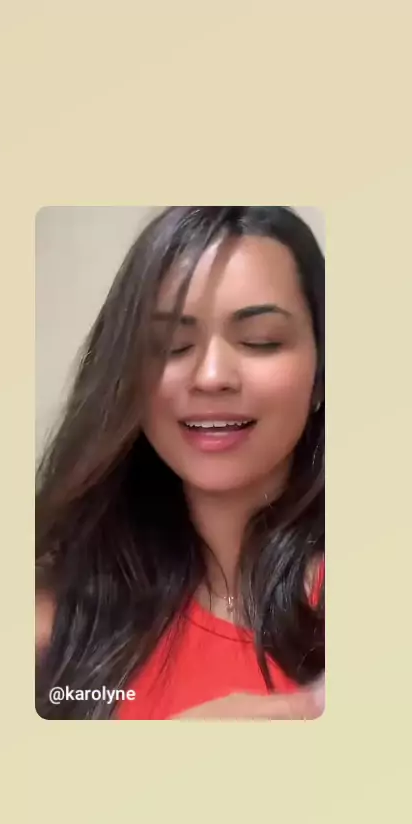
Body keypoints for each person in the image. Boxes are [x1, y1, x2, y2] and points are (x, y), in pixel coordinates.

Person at [35, 206, 325, 720]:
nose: (211, 376)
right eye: (172, 346)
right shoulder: (56, 616)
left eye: (260, 341)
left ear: (322, 374)